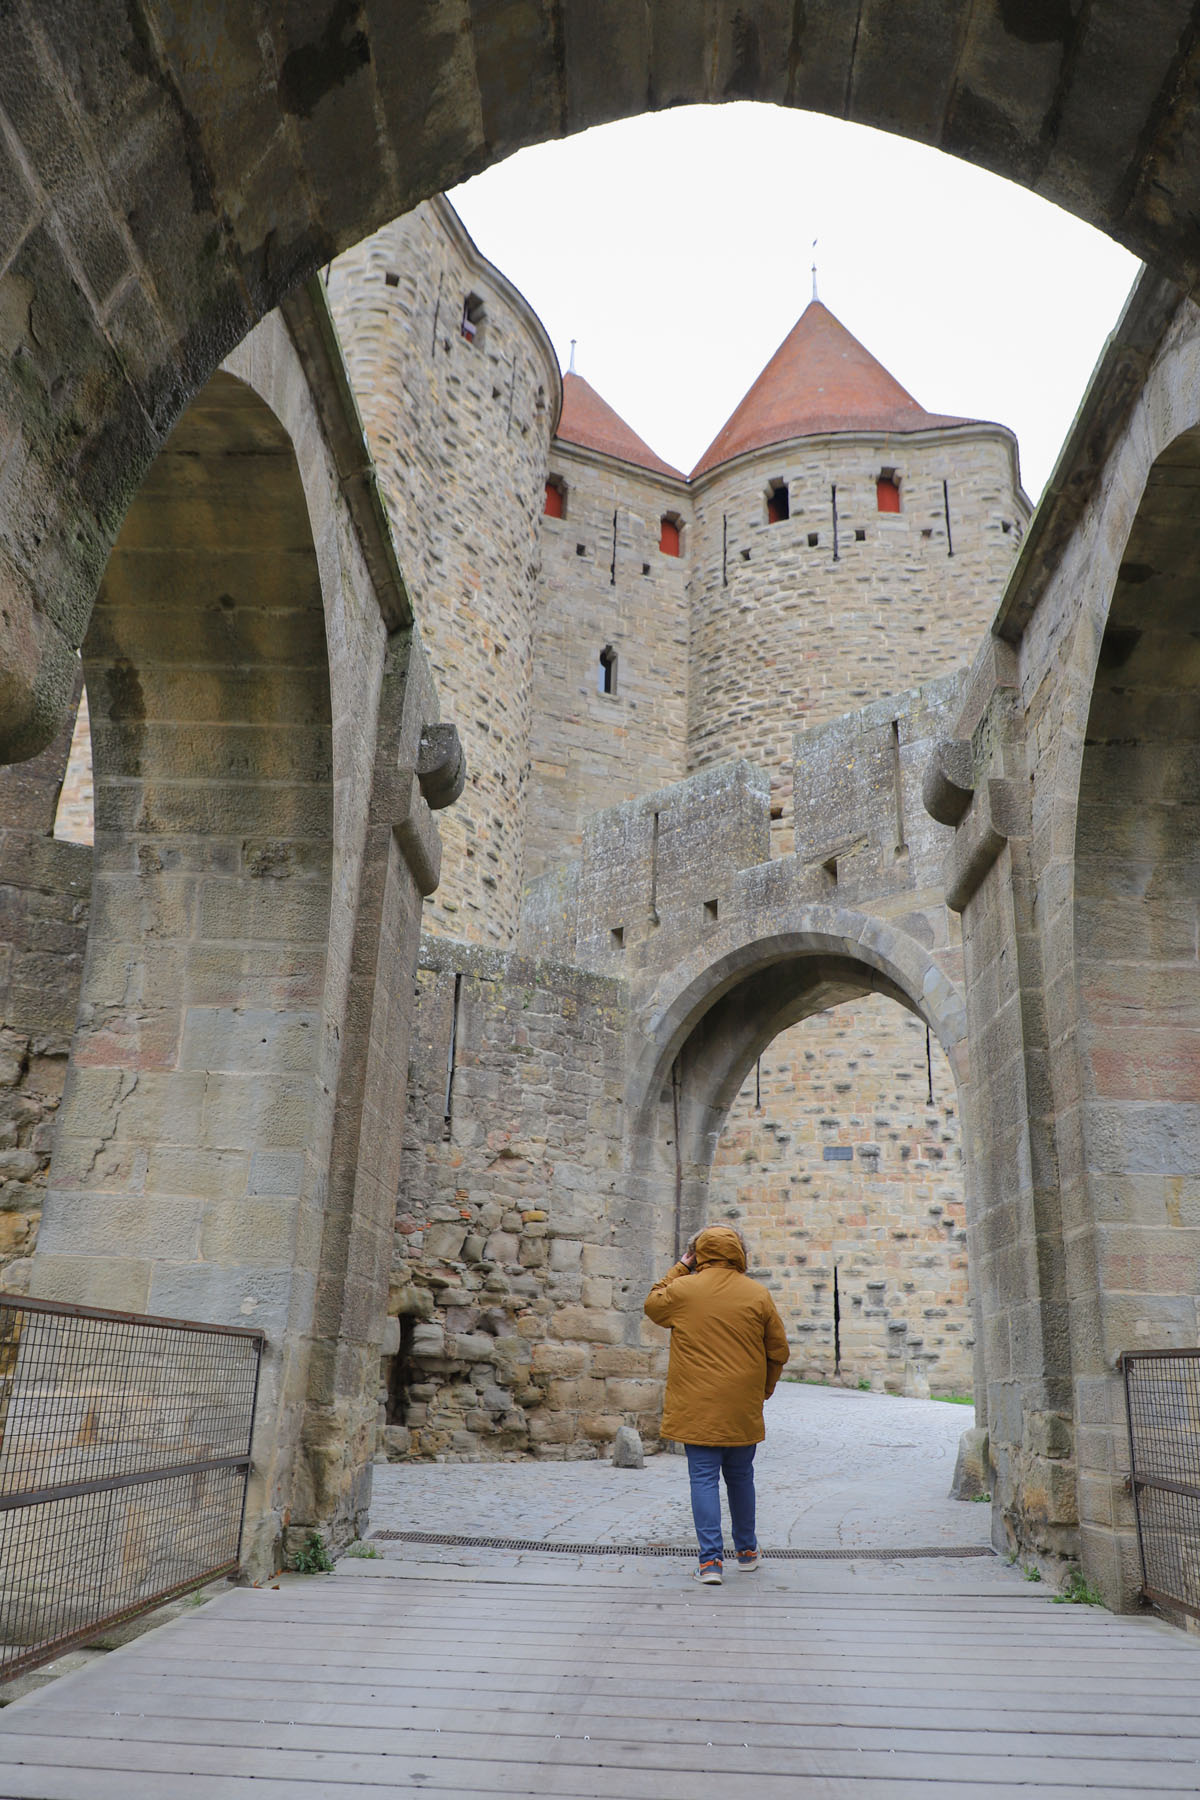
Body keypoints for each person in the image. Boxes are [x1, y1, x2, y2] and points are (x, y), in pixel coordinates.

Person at [644, 1224, 789, 1585]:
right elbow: (778, 1351)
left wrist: (681, 1266)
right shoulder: (757, 1294)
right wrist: (764, 1389)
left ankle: (710, 1563)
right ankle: (747, 1551)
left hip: (697, 1402)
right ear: (740, 1252)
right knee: (741, 1476)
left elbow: (652, 1304)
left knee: (703, 1478)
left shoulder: (682, 1291)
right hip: (742, 1402)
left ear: (698, 1253)